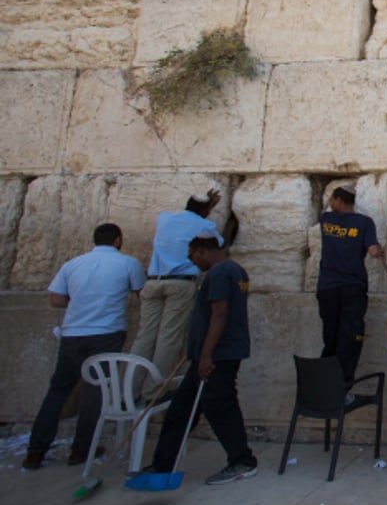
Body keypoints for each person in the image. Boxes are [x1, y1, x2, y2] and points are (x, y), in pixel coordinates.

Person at [22, 224, 146, 471]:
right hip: (107, 334)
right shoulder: (127, 263)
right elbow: (141, 292)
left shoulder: (73, 264)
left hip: (73, 334)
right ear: (118, 240)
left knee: (58, 390)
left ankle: (35, 451)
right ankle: (82, 448)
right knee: (96, 391)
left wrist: (81, 299)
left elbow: (56, 299)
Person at [147, 233, 257, 485]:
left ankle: (242, 460)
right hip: (213, 353)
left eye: (192, 256)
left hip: (217, 355)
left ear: (202, 251)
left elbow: (219, 314)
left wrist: (206, 354)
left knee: (221, 408)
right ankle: (162, 464)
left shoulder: (218, 274)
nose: (193, 262)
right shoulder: (236, 270)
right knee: (181, 410)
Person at [129, 189, 225, 398]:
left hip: (154, 281)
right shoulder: (204, 225)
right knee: (169, 338)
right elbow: (217, 244)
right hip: (181, 283)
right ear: (205, 210)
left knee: (144, 338)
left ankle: (127, 390)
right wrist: (210, 212)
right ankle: (152, 392)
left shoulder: (165, 219)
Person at [316, 184, 385, 388]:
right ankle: (343, 386)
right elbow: (372, 250)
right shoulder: (364, 223)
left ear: (339, 200)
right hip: (352, 288)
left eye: (332, 199)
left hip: (327, 288)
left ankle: (325, 387)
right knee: (351, 338)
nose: (330, 203)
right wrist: (379, 251)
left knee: (330, 337)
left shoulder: (325, 220)